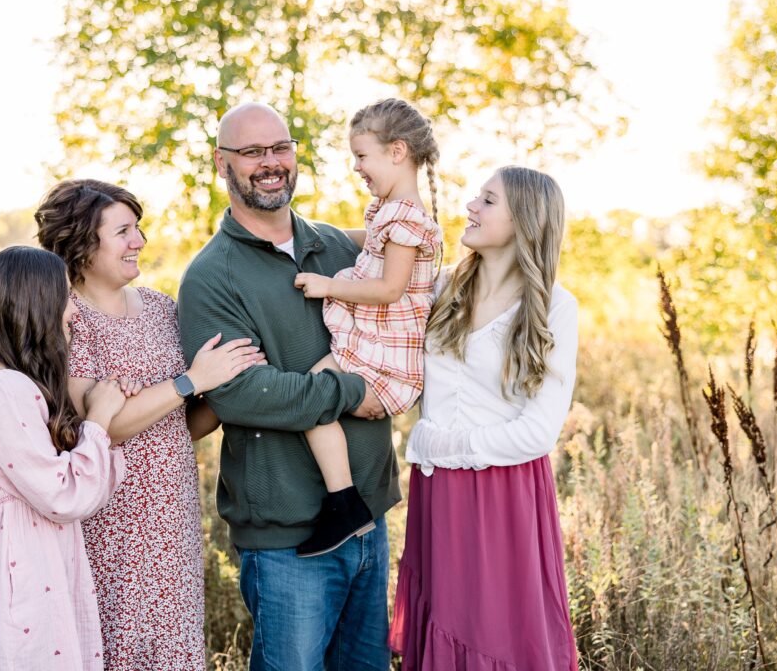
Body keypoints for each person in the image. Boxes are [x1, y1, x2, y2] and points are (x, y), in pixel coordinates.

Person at [178, 102, 396, 671]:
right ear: (221, 164)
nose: (270, 163)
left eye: (280, 148)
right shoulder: (212, 276)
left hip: (370, 519)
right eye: (251, 152)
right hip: (287, 537)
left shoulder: (341, 248)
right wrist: (352, 392)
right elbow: (244, 393)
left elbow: (403, 312)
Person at [35, 179, 264, 671]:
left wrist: (231, 389)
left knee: (175, 649)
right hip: (110, 520)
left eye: (137, 228)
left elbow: (181, 425)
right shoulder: (69, 319)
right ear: (80, 242)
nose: (138, 241)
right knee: (118, 647)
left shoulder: (163, 309)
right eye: (122, 231)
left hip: (172, 516)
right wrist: (190, 380)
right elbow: (103, 428)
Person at [389, 166, 579, 670]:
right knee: (445, 623)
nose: (471, 206)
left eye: (488, 200)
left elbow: (538, 431)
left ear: (525, 220)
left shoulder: (554, 307)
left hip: (504, 493)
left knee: (495, 633)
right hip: (436, 491)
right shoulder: (441, 286)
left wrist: (442, 447)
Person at [0, 245, 129, 670]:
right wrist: (100, 419)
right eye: (64, 298)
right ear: (36, 305)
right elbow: (61, 495)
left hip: (34, 559)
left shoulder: (15, 385)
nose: (73, 313)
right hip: (19, 570)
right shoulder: (3, 390)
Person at [292, 98, 443, 557]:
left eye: (362, 156)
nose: (356, 167)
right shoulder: (390, 211)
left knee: (312, 393)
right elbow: (364, 247)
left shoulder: (405, 219)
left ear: (397, 151)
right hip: (376, 347)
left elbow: (389, 288)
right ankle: (344, 501)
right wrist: (312, 236)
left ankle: (344, 502)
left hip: (387, 356)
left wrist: (325, 286)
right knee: (313, 393)